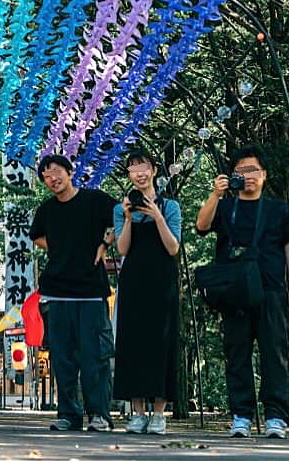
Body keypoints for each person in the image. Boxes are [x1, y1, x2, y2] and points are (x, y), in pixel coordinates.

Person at [196, 144, 289, 439]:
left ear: (264, 174)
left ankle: (276, 418)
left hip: (271, 289)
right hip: (234, 291)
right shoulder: (226, 205)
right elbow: (201, 225)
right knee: (236, 354)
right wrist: (216, 194)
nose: (248, 176)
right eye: (241, 171)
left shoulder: (279, 209)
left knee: (275, 355)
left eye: (253, 170)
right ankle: (241, 416)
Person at [29, 154, 117, 433]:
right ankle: (68, 413)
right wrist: (59, 249)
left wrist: (104, 245)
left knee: (95, 357)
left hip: (91, 291)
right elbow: (36, 237)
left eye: (56, 172)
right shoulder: (46, 210)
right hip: (57, 293)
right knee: (63, 359)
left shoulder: (95, 200)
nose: (52, 179)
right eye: (45, 176)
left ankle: (99, 414)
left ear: (69, 172)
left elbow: (119, 216)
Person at [111, 150, 182, 435]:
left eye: (143, 167)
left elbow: (174, 248)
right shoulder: (121, 208)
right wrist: (129, 218)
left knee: (162, 344)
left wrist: (157, 215)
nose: (139, 173)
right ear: (128, 175)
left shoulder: (170, 206)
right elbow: (123, 249)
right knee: (133, 344)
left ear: (153, 170)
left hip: (162, 283)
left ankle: (159, 414)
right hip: (133, 282)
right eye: (133, 169)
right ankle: (137, 412)